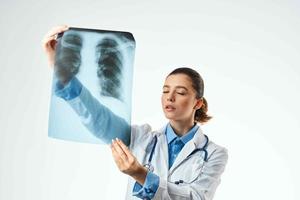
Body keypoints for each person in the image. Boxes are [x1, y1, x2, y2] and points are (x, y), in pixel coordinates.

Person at [42, 25, 228, 200]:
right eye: (165, 91)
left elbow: (196, 197)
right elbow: (99, 118)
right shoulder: (141, 138)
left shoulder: (214, 154)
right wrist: (62, 73)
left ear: (197, 103)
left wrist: (140, 174)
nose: (169, 97)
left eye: (180, 92)